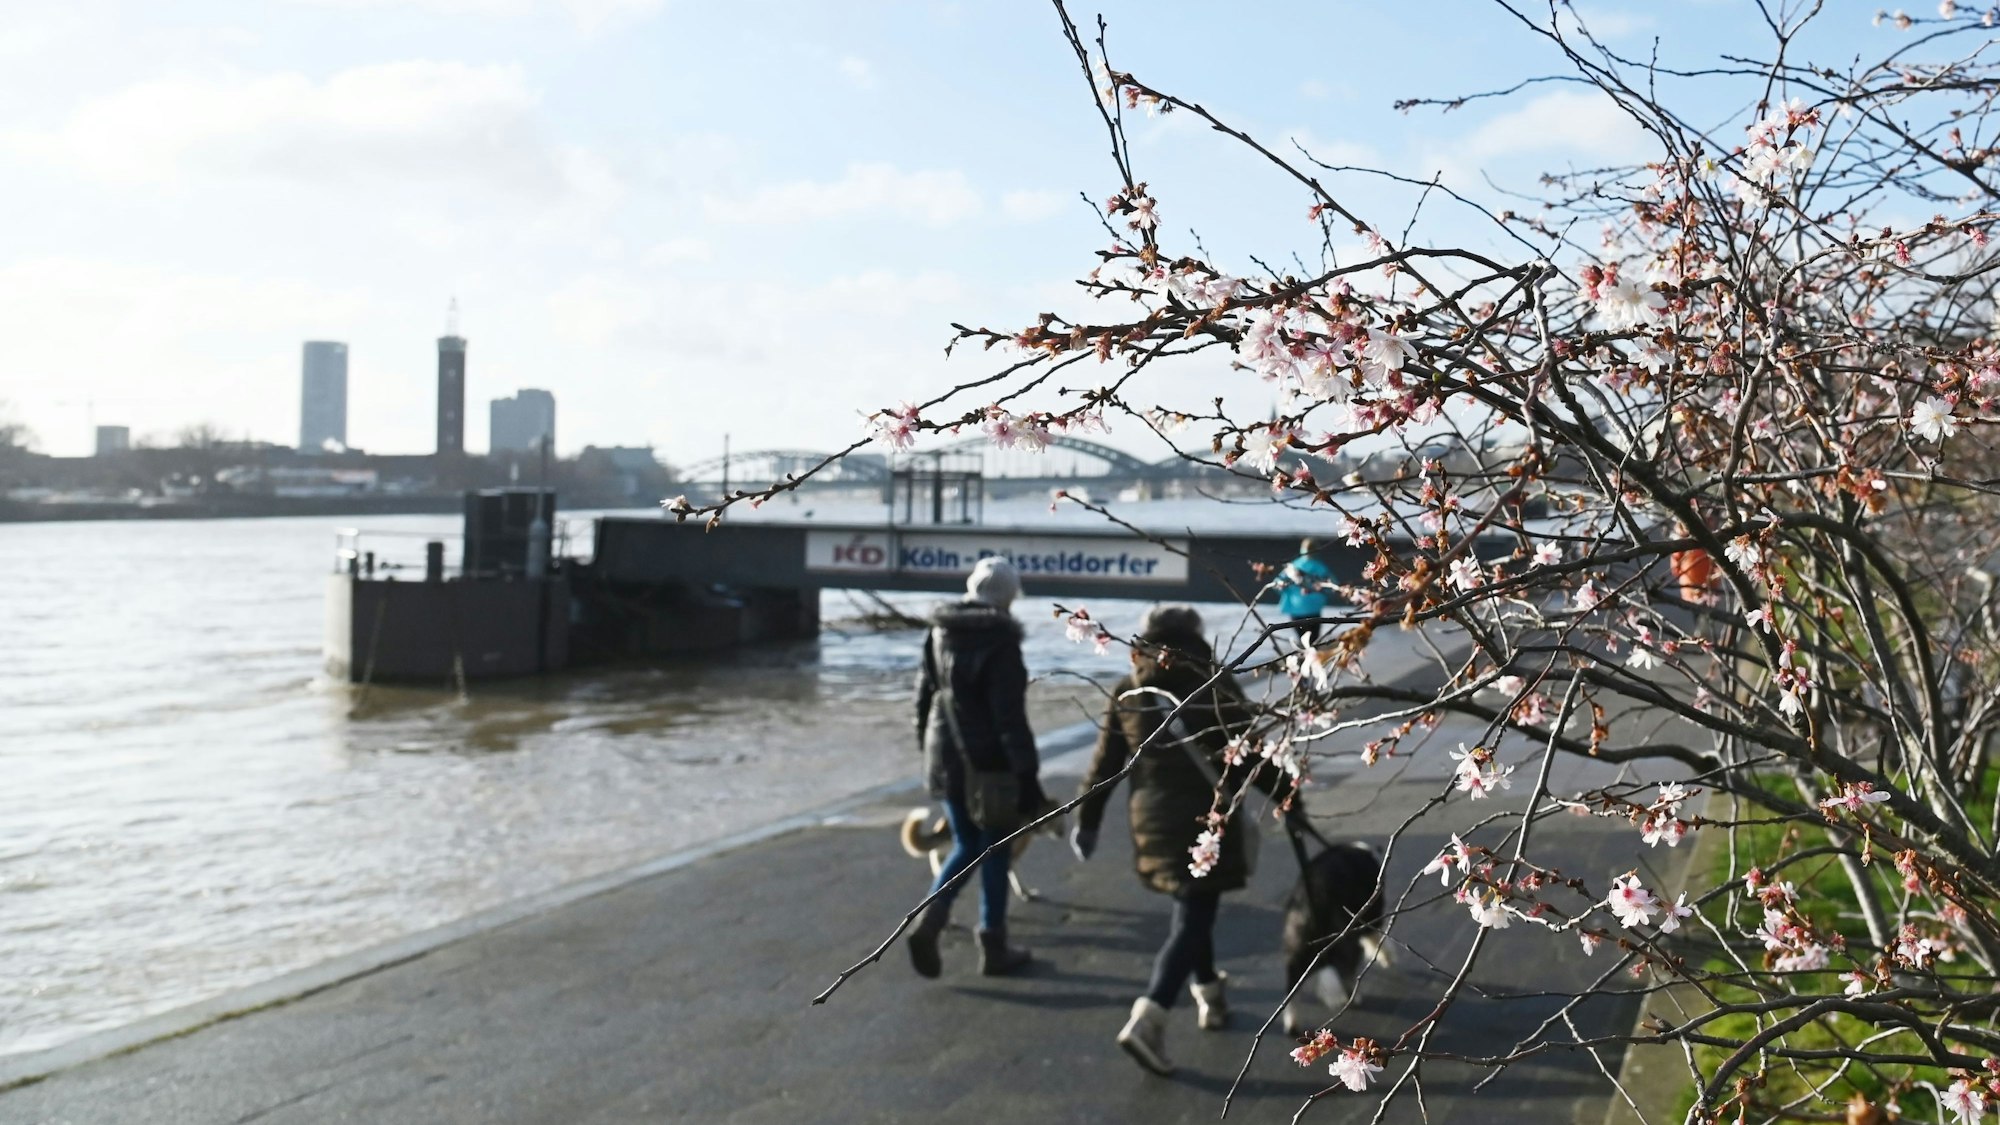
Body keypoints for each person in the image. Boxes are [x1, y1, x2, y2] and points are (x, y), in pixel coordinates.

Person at [1069, 605, 1293, 1076]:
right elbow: (1248, 750)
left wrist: (1087, 820)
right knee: (1195, 913)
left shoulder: (1129, 690)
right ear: (1195, 637)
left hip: (1150, 819)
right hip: (1205, 817)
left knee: (1193, 904)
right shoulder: (1212, 681)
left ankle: (1210, 994)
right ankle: (1150, 1015)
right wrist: (1286, 795)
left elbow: (1105, 764)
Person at [906, 556, 1044, 979]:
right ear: (1008, 597)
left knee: (967, 842)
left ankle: (931, 921)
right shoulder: (1001, 642)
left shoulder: (938, 632)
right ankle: (992, 943)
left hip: (944, 755)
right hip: (989, 764)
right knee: (994, 848)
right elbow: (1009, 718)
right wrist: (1027, 776)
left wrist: (926, 750)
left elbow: (923, 700)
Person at [1277, 538, 1334, 645]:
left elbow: (1278, 583)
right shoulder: (1320, 567)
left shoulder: (1293, 567)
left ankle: (1305, 657)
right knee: (1314, 641)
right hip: (1314, 609)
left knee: (1303, 640)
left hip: (1296, 609)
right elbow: (1331, 585)